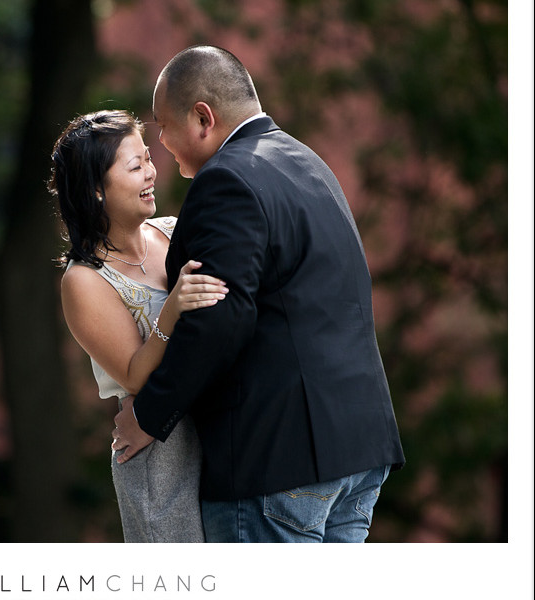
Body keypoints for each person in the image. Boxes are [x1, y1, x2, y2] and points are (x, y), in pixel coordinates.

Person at [112, 46, 406, 543]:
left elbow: (218, 317)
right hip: (358, 449)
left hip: (277, 464)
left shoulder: (226, 180)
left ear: (203, 117)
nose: (161, 143)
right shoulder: (309, 164)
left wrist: (149, 417)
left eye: (164, 126)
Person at [49, 110, 229, 542]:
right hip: (156, 451)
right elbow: (133, 373)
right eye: (135, 166)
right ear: (95, 190)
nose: (151, 172)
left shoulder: (172, 231)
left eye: (148, 158)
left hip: (215, 431)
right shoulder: (84, 280)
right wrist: (172, 310)